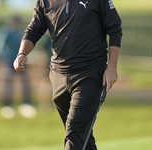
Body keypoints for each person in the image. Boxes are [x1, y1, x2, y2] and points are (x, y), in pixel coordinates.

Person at [14, 0, 122, 149]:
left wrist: (112, 67)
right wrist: (22, 53)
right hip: (58, 76)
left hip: (90, 75)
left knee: (75, 132)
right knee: (82, 135)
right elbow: (34, 30)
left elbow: (115, 27)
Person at [0, 16, 36, 119]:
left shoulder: (20, 32)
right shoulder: (4, 32)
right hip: (8, 61)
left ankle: (26, 104)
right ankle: (7, 105)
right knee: (8, 84)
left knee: (25, 83)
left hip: (20, 61)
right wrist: (7, 58)